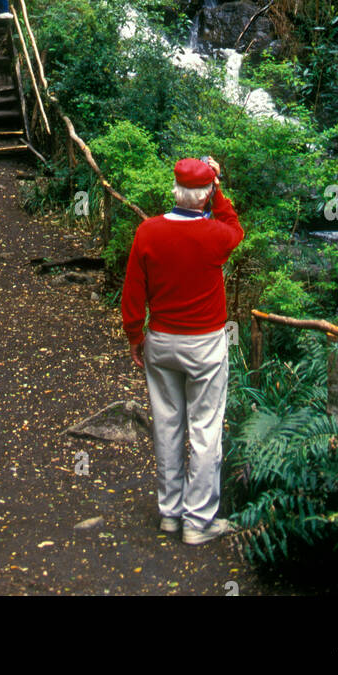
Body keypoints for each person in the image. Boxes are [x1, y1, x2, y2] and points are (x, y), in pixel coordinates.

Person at [121, 155, 244, 545]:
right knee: (205, 431)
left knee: (168, 426)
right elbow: (234, 226)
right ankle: (198, 521)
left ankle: (170, 514)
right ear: (206, 195)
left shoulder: (148, 232)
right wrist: (219, 186)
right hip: (206, 344)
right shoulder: (216, 236)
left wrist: (134, 337)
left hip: (161, 340)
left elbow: (132, 292)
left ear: (174, 189)